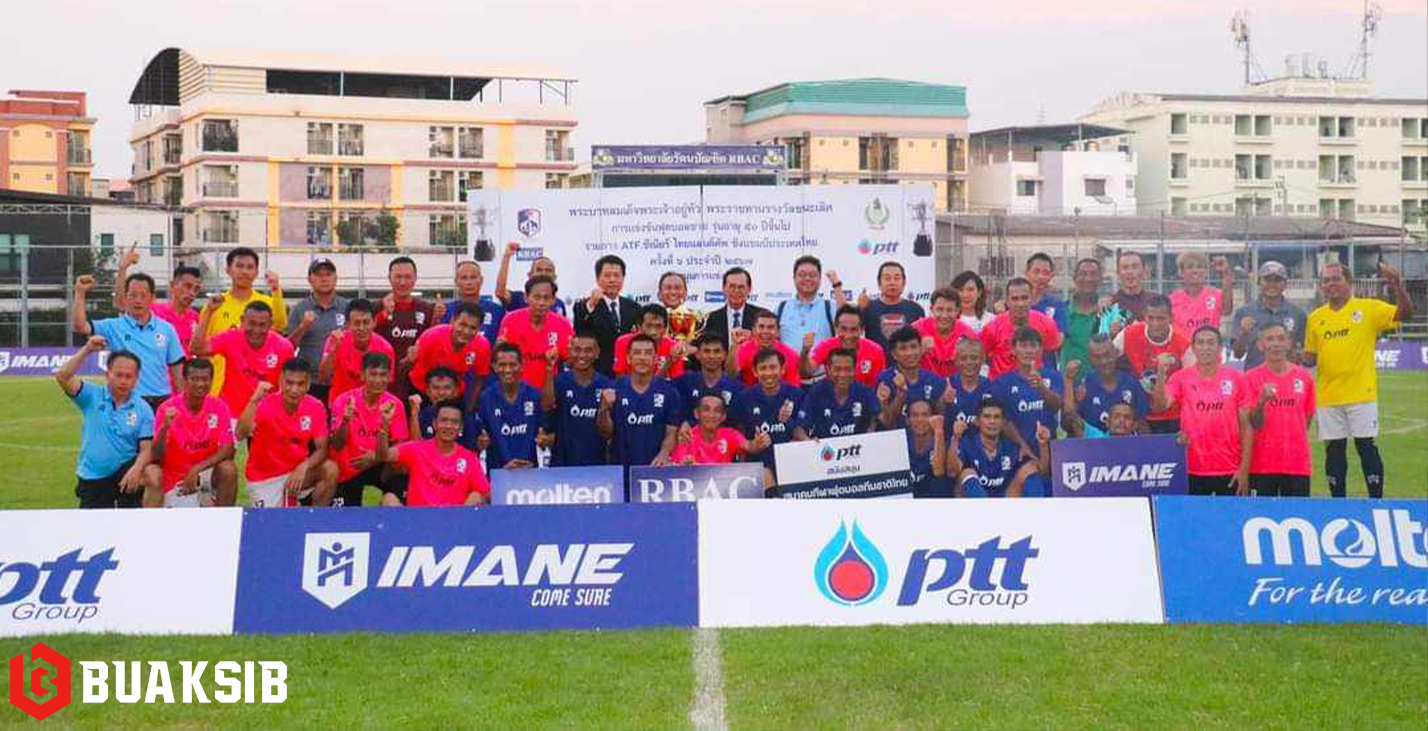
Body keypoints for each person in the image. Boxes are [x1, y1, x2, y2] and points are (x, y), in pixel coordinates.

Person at [1304, 260, 1413, 498]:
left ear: (1349, 282)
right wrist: (1290, 353)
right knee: (1334, 451)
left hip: (1361, 394)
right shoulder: (1315, 318)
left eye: (1336, 278)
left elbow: (1405, 314)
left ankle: (1376, 501)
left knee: (1366, 446)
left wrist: (1397, 285)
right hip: (1328, 397)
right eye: (1326, 280)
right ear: (1321, 286)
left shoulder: (1368, 308)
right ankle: (1338, 503)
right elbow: (1310, 357)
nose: (1331, 284)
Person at [1153, 326, 1254, 496]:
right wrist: (1161, 373)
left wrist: (1244, 469)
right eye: (1200, 343)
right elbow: (1161, 406)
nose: (1205, 347)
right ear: (1193, 348)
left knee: (1228, 513)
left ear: (1220, 348)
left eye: (1211, 343)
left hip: (1229, 468)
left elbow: (1247, 427)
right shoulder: (1180, 377)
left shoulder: (1237, 378)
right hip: (1192, 468)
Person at [57, 338, 154, 509]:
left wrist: (137, 468)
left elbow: (147, 448)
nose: (123, 381)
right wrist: (87, 349)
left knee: (130, 522)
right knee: (92, 525)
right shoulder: (91, 395)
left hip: (125, 474)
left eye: (129, 376)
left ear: (137, 379)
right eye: (119, 375)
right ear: (108, 374)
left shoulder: (143, 408)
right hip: (92, 476)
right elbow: (63, 377)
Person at [72, 271, 184, 411]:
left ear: (152, 298)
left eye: (143, 295)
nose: (138, 300)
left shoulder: (167, 329)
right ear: (125, 297)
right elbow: (80, 327)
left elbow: (177, 371)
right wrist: (80, 293)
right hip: (127, 400)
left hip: (161, 401)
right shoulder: (113, 326)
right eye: (133, 295)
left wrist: (183, 404)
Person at [236, 359, 337, 507]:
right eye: (289, 383)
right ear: (281, 381)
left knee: (330, 469)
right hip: (265, 480)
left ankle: (315, 518)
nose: (294, 390)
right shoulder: (265, 404)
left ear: (308, 384)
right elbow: (240, 434)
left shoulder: (316, 406)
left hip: (297, 474)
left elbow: (322, 449)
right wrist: (254, 400)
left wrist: (304, 466)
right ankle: (290, 503)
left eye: (300, 384)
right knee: (272, 522)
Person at [142, 358, 237, 508]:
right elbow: (157, 455)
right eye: (195, 379)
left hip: (205, 474)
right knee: (151, 471)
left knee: (228, 469)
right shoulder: (167, 409)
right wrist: (164, 428)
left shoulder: (219, 406)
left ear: (211, 381)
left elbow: (228, 449)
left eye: (205, 379)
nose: (200, 384)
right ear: (184, 380)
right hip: (175, 477)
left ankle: (222, 519)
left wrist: (197, 469)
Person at [201, 247, 287, 398]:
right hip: (219, 390)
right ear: (228, 270)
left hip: (259, 389)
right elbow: (202, 349)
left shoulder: (267, 303)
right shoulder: (214, 306)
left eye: (250, 267)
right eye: (239, 266)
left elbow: (280, 325)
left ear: (256, 272)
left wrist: (275, 289)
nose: (244, 271)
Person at [326, 352, 409, 507]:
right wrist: (345, 421)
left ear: (389, 377)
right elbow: (336, 445)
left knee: (400, 468)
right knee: (347, 517)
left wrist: (375, 458)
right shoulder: (343, 401)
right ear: (363, 376)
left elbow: (401, 449)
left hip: (380, 466)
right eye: (373, 374)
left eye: (383, 375)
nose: (378, 380)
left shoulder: (395, 404)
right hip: (348, 469)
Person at [989, 327, 1063, 497]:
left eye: (1033, 345)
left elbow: (1056, 406)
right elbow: (1003, 421)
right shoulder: (1003, 382)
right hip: (1017, 452)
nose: (1028, 351)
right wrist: (1023, 447)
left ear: (1040, 350)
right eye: (1023, 345)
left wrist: (1042, 388)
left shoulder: (1053, 376)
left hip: (1050, 450)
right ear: (1014, 349)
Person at [114, 250, 202, 392]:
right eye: (187, 286)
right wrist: (123, 269)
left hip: (183, 391)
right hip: (156, 390)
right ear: (172, 285)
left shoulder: (196, 318)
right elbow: (121, 304)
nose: (192, 293)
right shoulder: (153, 311)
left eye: (196, 289)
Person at [1246, 322, 1316, 497]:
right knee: (1260, 513)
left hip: (1296, 465)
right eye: (1270, 339)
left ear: (1289, 343)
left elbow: (1306, 421)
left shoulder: (1305, 378)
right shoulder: (1250, 379)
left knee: (1297, 513)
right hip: (1261, 465)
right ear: (1260, 345)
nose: (1276, 344)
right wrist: (1261, 402)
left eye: (1280, 338)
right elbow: (1253, 424)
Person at [193, 299, 295, 419]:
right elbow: (197, 349)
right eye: (251, 323)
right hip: (231, 415)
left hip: (265, 417)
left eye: (262, 325)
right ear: (242, 321)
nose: (256, 330)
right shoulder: (231, 338)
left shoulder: (284, 347)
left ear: (270, 324)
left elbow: (289, 386)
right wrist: (208, 312)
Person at [377, 399, 489, 507]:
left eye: (454, 422)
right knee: (388, 498)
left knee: (476, 495)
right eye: (444, 420)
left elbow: (484, 492)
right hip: (417, 518)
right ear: (434, 424)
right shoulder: (417, 448)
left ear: (461, 428)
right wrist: (384, 426)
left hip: (453, 518)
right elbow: (384, 456)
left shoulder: (469, 458)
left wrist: (463, 510)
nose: (448, 426)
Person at [597, 334, 681, 467]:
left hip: (655, 468)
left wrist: (664, 453)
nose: (642, 358)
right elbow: (606, 433)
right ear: (628, 358)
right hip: (620, 468)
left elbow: (671, 432)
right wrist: (603, 409)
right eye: (637, 352)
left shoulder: (669, 392)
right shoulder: (614, 387)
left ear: (655, 359)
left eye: (648, 353)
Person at [1115, 294, 1192, 434]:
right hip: (1141, 415)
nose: (1155, 324)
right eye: (1151, 318)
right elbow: (1106, 357)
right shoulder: (1128, 334)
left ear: (1171, 317)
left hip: (1175, 415)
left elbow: (1192, 384)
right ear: (1144, 316)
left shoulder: (1184, 342)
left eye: (1161, 318)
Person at [947, 401, 1045, 498]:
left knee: (1030, 470)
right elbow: (952, 472)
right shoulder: (967, 443)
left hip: (1004, 499)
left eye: (997, 417)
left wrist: (1043, 445)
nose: (992, 421)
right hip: (974, 502)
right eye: (987, 416)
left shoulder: (1010, 447)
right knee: (967, 474)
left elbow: (1042, 470)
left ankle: (1036, 508)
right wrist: (955, 438)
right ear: (977, 421)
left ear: (1003, 423)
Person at [286, 258, 350, 404]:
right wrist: (303, 326)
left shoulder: (347, 307)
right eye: (319, 275)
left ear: (336, 278)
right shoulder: (299, 308)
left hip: (340, 380)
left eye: (328, 274)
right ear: (309, 279)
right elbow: (289, 347)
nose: (324, 279)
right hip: (309, 382)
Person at [477, 343, 550, 471]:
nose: (507, 370)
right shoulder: (486, 398)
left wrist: (544, 441)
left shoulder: (534, 395)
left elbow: (545, 436)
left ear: (521, 366)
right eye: (502, 365)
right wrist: (481, 442)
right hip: (498, 473)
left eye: (512, 364)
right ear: (494, 367)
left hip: (529, 470)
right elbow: (480, 438)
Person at [375, 256, 440, 399]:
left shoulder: (427, 309)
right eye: (398, 277)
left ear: (415, 278)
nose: (402, 282)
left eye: (407, 277)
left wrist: (437, 319)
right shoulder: (375, 308)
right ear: (389, 278)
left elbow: (433, 344)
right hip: (384, 383)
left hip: (417, 385)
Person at [739, 348, 803, 491]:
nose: (768, 373)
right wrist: (752, 445)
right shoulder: (744, 398)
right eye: (763, 368)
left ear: (783, 369)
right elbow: (737, 434)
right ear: (755, 372)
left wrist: (789, 422)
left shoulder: (797, 395)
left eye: (773, 367)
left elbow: (803, 432)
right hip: (758, 465)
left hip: (791, 463)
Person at [543, 331, 611, 466]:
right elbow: (546, 405)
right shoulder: (559, 382)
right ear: (570, 352)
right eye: (577, 350)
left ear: (597, 353)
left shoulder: (606, 384)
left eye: (588, 351)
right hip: (563, 462)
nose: (582, 355)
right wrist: (550, 369)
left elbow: (609, 431)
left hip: (597, 462)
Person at [408, 302, 492, 411]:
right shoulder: (431, 336)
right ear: (453, 320)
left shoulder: (482, 345)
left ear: (479, 328)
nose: (466, 332)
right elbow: (410, 366)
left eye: (472, 328)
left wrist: (470, 406)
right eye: (462, 325)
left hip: (453, 393)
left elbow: (480, 377)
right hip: (422, 390)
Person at [1062, 335, 1149, 438]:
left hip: (1128, 446)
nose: (1103, 361)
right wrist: (1068, 380)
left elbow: (1142, 424)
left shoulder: (1131, 383)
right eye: (1097, 357)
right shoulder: (1083, 385)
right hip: (1093, 446)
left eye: (1107, 355)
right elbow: (1069, 422)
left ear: (1116, 353)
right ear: (1090, 358)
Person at [496, 275, 573, 389]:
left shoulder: (563, 324)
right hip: (516, 391)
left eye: (546, 298)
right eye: (536, 297)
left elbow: (571, 362)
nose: (541, 303)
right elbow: (499, 358)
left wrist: (571, 354)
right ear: (526, 297)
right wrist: (498, 348)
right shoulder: (510, 320)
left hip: (549, 391)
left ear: (553, 300)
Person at [1231, 261, 1307, 371]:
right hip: (1255, 378)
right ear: (1259, 282)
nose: (1272, 284)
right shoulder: (1244, 312)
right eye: (1267, 280)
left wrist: (1295, 352)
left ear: (1285, 284)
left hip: (1287, 378)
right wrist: (1243, 334)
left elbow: (1303, 355)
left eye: (1277, 280)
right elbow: (1237, 354)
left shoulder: (1298, 314)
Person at [980, 277, 1062, 379]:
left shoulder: (1047, 324)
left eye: (1024, 298)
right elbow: (982, 356)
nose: (1020, 304)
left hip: (1034, 384)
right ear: (1007, 301)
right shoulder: (992, 328)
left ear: (1032, 299)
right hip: (1001, 385)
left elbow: (1050, 356)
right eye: (1015, 299)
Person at [319, 299, 395, 406]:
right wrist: (334, 350)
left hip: (371, 408)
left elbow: (386, 385)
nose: (361, 328)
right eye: (356, 323)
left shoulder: (385, 348)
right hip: (340, 405)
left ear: (374, 322)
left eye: (366, 322)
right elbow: (323, 378)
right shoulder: (335, 341)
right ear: (348, 324)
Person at [573, 254, 641, 376]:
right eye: (607, 275)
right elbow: (580, 329)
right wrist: (591, 304)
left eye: (617, 275)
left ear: (623, 278)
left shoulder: (634, 307)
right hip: (597, 373)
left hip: (627, 373)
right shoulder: (585, 306)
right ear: (597, 278)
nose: (612, 280)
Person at [793, 348, 880, 440]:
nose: (843, 374)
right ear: (828, 370)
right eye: (837, 369)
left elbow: (878, 419)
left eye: (848, 369)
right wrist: (808, 441)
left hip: (858, 446)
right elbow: (799, 429)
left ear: (854, 370)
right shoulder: (816, 392)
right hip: (825, 447)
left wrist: (870, 437)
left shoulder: (865, 391)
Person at [776, 255, 847, 365]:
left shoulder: (828, 307)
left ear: (820, 279)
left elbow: (846, 320)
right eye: (802, 275)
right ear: (794, 278)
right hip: (788, 374)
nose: (807, 279)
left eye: (812, 275)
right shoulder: (781, 308)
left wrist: (836, 284)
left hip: (821, 374)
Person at [876, 326, 946, 429]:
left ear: (921, 349)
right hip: (896, 437)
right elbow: (886, 423)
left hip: (926, 438)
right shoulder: (885, 380)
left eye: (913, 347)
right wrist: (900, 395)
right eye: (903, 348)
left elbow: (941, 421)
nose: (909, 353)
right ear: (894, 354)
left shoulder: (935, 380)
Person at [671, 394, 770, 465]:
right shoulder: (687, 436)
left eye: (717, 410)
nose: (711, 415)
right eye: (706, 409)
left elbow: (749, 446)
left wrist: (758, 444)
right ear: (696, 413)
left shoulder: (730, 434)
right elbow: (679, 466)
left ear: (723, 416)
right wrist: (687, 466)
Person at [803, 305, 886, 387]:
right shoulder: (825, 346)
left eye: (853, 329)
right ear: (836, 328)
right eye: (843, 329)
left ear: (861, 330)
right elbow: (807, 371)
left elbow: (878, 386)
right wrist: (805, 351)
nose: (848, 335)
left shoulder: (876, 351)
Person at [675, 333, 744, 425]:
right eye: (707, 351)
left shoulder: (737, 388)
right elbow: (658, 386)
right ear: (698, 354)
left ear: (724, 355)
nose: (711, 356)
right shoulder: (684, 382)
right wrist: (671, 360)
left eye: (717, 351)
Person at [860, 261, 925, 351]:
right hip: (875, 359)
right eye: (887, 278)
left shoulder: (916, 309)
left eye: (896, 278)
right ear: (879, 283)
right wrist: (859, 309)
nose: (892, 283)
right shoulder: (868, 308)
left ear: (904, 282)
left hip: (908, 359)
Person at [701, 266, 771, 350]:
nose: (736, 291)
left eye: (741, 287)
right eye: (732, 286)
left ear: (749, 289)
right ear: (724, 288)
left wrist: (754, 337)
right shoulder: (711, 318)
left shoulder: (761, 316)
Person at [912, 287, 977, 377]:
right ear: (932, 309)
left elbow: (976, 367)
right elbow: (901, 360)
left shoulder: (968, 334)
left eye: (949, 310)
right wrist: (920, 351)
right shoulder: (916, 329)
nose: (944, 315)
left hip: (955, 383)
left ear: (957, 311)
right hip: (922, 382)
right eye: (940, 309)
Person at [613, 304, 689, 379]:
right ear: (639, 326)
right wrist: (668, 364)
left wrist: (670, 361)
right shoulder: (623, 342)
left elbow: (676, 381)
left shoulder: (673, 347)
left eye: (658, 326)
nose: (653, 332)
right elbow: (620, 380)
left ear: (665, 328)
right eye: (649, 326)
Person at [1169, 252, 1234, 336]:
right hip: (1183, 344)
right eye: (1190, 267)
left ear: (1206, 272)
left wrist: (1225, 273)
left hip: (1208, 343)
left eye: (1200, 267)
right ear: (1181, 272)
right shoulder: (1172, 299)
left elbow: (1227, 310)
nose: (1195, 271)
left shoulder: (1215, 294)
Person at [495, 241, 567, 317]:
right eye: (539, 270)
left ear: (554, 277)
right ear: (530, 275)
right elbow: (500, 293)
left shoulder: (559, 304)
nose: (543, 273)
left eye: (548, 270)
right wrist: (507, 257)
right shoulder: (520, 299)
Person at [730, 310, 801, 387]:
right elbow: (731, 374)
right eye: (761, 327)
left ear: (778, 332)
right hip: (749, 393)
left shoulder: (790, 355)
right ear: (754, 330)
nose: (765, 331)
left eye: (770, 327)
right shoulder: (743, 349)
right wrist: (734, 345)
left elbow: (793, 388)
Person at [442, 260, 505, 344]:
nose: (469, 282)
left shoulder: (497, 310)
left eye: (473, 277)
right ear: (456, 282)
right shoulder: (446, 310)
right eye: (464, 278)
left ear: (481, 280)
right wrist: (436, 318)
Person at [1062, 258, 1107, 373]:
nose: (1088, 278)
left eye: (1093, 274)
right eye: (1083, 274)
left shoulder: (1110, 312)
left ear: (1101, 279)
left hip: (1100, 381)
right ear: (1074, 278)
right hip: (1068, 381)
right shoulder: (1061, 312)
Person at [1025, 253, 1069, 359]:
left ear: (1051, 276)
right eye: (1036, 271)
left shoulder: (1057, 306)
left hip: (1045, 366)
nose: (1041, 277)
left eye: (1046, 273)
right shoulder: (1014, 303)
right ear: (1026, 273)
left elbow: (1058, 341)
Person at [942, 337, 993, 429]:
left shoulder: (992, 388)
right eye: (963, 358)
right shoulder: (946, 386)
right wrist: (943, 403)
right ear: (956, 360)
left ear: (983, 360)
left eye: (974, 358)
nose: (969, 362)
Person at [904, 403, 947, 498]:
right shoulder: (901, 439)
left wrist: (938, 431)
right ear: (908, 420)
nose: (920, 420)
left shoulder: (940, 438)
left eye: (925, 415)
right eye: (915, 415)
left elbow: (939, 472)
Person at [409, 367, 463, 442]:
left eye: (447, 388)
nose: (441, 393)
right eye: (435, 388)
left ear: (456, 391)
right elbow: (415, 445)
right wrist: (414, 414)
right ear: (428, 391)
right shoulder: (420, 416)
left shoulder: (466, 418)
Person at [1107, 250, 1149, 328]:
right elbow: (1101, 333)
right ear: (1118, 273)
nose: (1130, 272)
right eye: (1125, 268)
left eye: (1135, 267)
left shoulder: (1154, 301)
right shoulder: (1110, 304)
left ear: (1144, 271)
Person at [658, 271, 703, 344]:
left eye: (677, 288)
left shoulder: (697, 319)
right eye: (668, 288)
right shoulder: (650, 318)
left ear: (685, 294)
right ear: (659, 294)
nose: (673, 292)